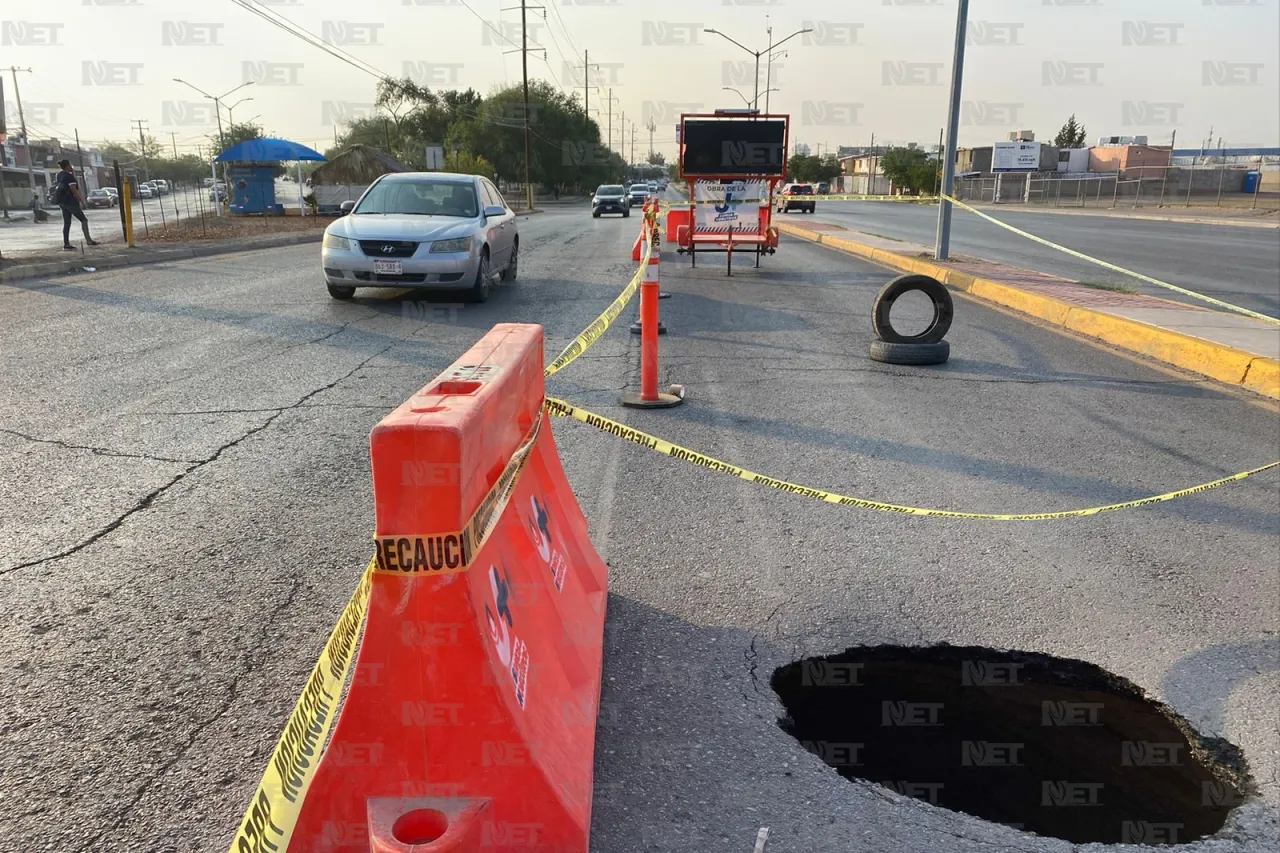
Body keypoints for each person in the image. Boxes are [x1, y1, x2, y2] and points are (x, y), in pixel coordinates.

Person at [53, 159, 98, 250]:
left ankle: (66, 244)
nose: (72, 167)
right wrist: (82, 202)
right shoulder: (69, 177)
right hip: (71, 202)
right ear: (67, 166)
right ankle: (88, 240)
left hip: (62, 202)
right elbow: (74, 189)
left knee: (67, 222)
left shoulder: (59, 175)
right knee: (83, 220)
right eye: (70, 165)